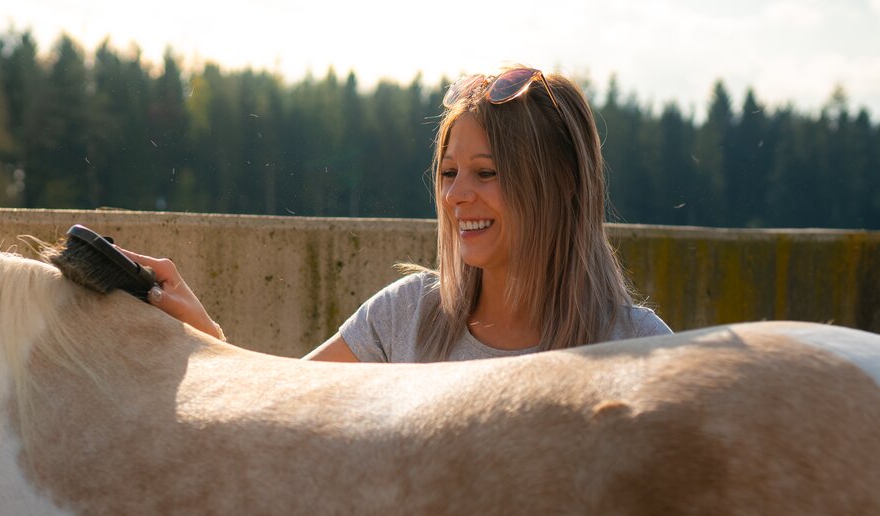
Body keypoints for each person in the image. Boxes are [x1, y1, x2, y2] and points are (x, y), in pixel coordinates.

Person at [121, 65, 671, 362]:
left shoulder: (638, 346)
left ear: (562, 188)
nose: (457, 196)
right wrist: (206, 337)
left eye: (486, 172)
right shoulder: (405, 318)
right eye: (449, 172)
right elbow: (280, 418)